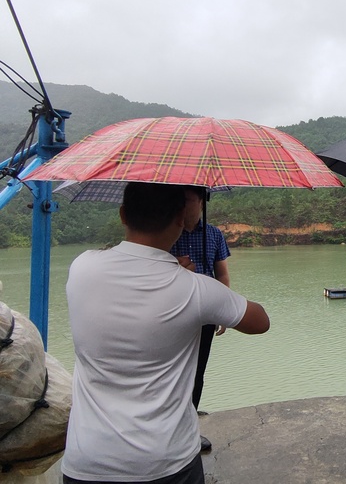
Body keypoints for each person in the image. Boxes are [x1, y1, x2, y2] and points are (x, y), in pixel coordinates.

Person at [61, 182, 269, 484]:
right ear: (180, 218)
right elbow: (260, 321)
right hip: (167, 463)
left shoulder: (81, 267)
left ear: (122, 215)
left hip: (87, 461)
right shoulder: (196, 288)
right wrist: (190, 280)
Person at [169, 186, 230, 452]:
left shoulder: (213, 234)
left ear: (202, 202)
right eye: (178, 200)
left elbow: (222, 274)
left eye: (187, 200)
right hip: (172, 314)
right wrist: (175, 266)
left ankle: (188, 430)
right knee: (172, 373)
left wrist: (223, 308)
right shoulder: (167, 232)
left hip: (204, 313)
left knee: (197, 373)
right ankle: (168, 430)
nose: (182, 206)